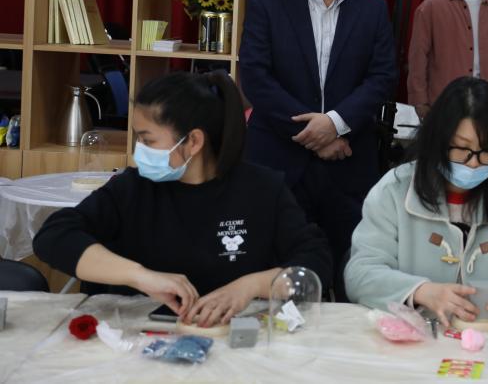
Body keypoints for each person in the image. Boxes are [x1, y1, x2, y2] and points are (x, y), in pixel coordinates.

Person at [33, 72, 331, 327]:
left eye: (148, 140)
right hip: (142, 340)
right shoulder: (133, 188)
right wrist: (140, 277)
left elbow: (316, 261)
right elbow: (54, 235)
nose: (138, 150)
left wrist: (253, 285)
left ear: (193, 141)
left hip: (238, 340)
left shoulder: (262, 189)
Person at [238, 0, 398, 293]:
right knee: (275, 271)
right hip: (279, 160)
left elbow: (383, 78)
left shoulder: (373, 9)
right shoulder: (267, 2)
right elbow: (255, 76)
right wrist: (316, 133)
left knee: (349, 270)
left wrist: (335, 124)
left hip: (348, 161)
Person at [344, 77, 488, 326]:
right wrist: (421, 292)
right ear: (437, 141)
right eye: (461, 148)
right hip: (417, 335)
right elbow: (361, 274)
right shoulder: (393, 191)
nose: (474, 163)